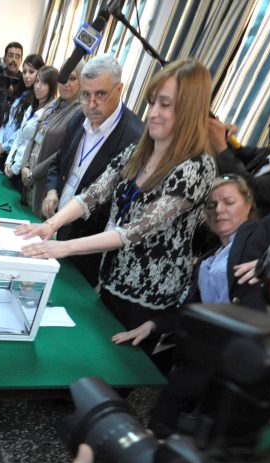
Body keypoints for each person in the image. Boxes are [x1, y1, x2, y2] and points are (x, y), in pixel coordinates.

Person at [17, 59, 217, 369]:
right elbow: (94, 193)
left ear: (190, 109)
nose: (153, 113)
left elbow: (134, 231)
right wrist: (52, 224)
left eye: (166, 105)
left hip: (149, 296)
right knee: (91, 360)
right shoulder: (141, 149)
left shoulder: (197, 167)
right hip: (112, 277)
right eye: (152, 102)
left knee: (117, 373)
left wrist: (63, 246)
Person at [113, 176, 270, 434]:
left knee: (182, 392)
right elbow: (195, 310)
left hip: (253, 349)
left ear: (248, 205)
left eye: (229, 202)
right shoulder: (208, 258)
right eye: (212, 205)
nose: (219, 210)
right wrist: (152, 324)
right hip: (211, 349)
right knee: (170, 386)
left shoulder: (266, 229)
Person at [42, 55, 144, 287]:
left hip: (90, 242)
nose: (91, 103)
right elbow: (59, 161)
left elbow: (120, 204)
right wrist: (51, 191)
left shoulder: (134, 137)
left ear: (119, 89)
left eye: (100, 94)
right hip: (58, 221)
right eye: (86, 95)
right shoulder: (79, 116)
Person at [20, 61, 83, 219]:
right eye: (63, 78)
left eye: (73, 78)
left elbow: (62, 153)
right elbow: (34, 136)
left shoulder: (80, 113)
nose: (66, 83)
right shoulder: (53, 104)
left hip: (45, 184)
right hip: (28, 178)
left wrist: (33, 173)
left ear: (83, 81)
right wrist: (24, 165)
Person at [0, 53, 45, 184]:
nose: (26, 76)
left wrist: (5, 146)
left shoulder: (38, 101)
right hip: (5, 154)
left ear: (41, 73)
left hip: (15, 158)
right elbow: (7, 120)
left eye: (31, 72)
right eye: (24, 72)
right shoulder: (21, 93)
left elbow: (23, 133)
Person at [4, 65, 58, 183]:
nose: (38, 87)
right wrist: (8, 161)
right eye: (37, 81)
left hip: (25, 170)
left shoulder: (50, 114)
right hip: (13, 164)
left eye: (43, 83)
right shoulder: (31, 108)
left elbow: (31, 144)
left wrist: (16, 167)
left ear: (52, 86)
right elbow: (20, 136)